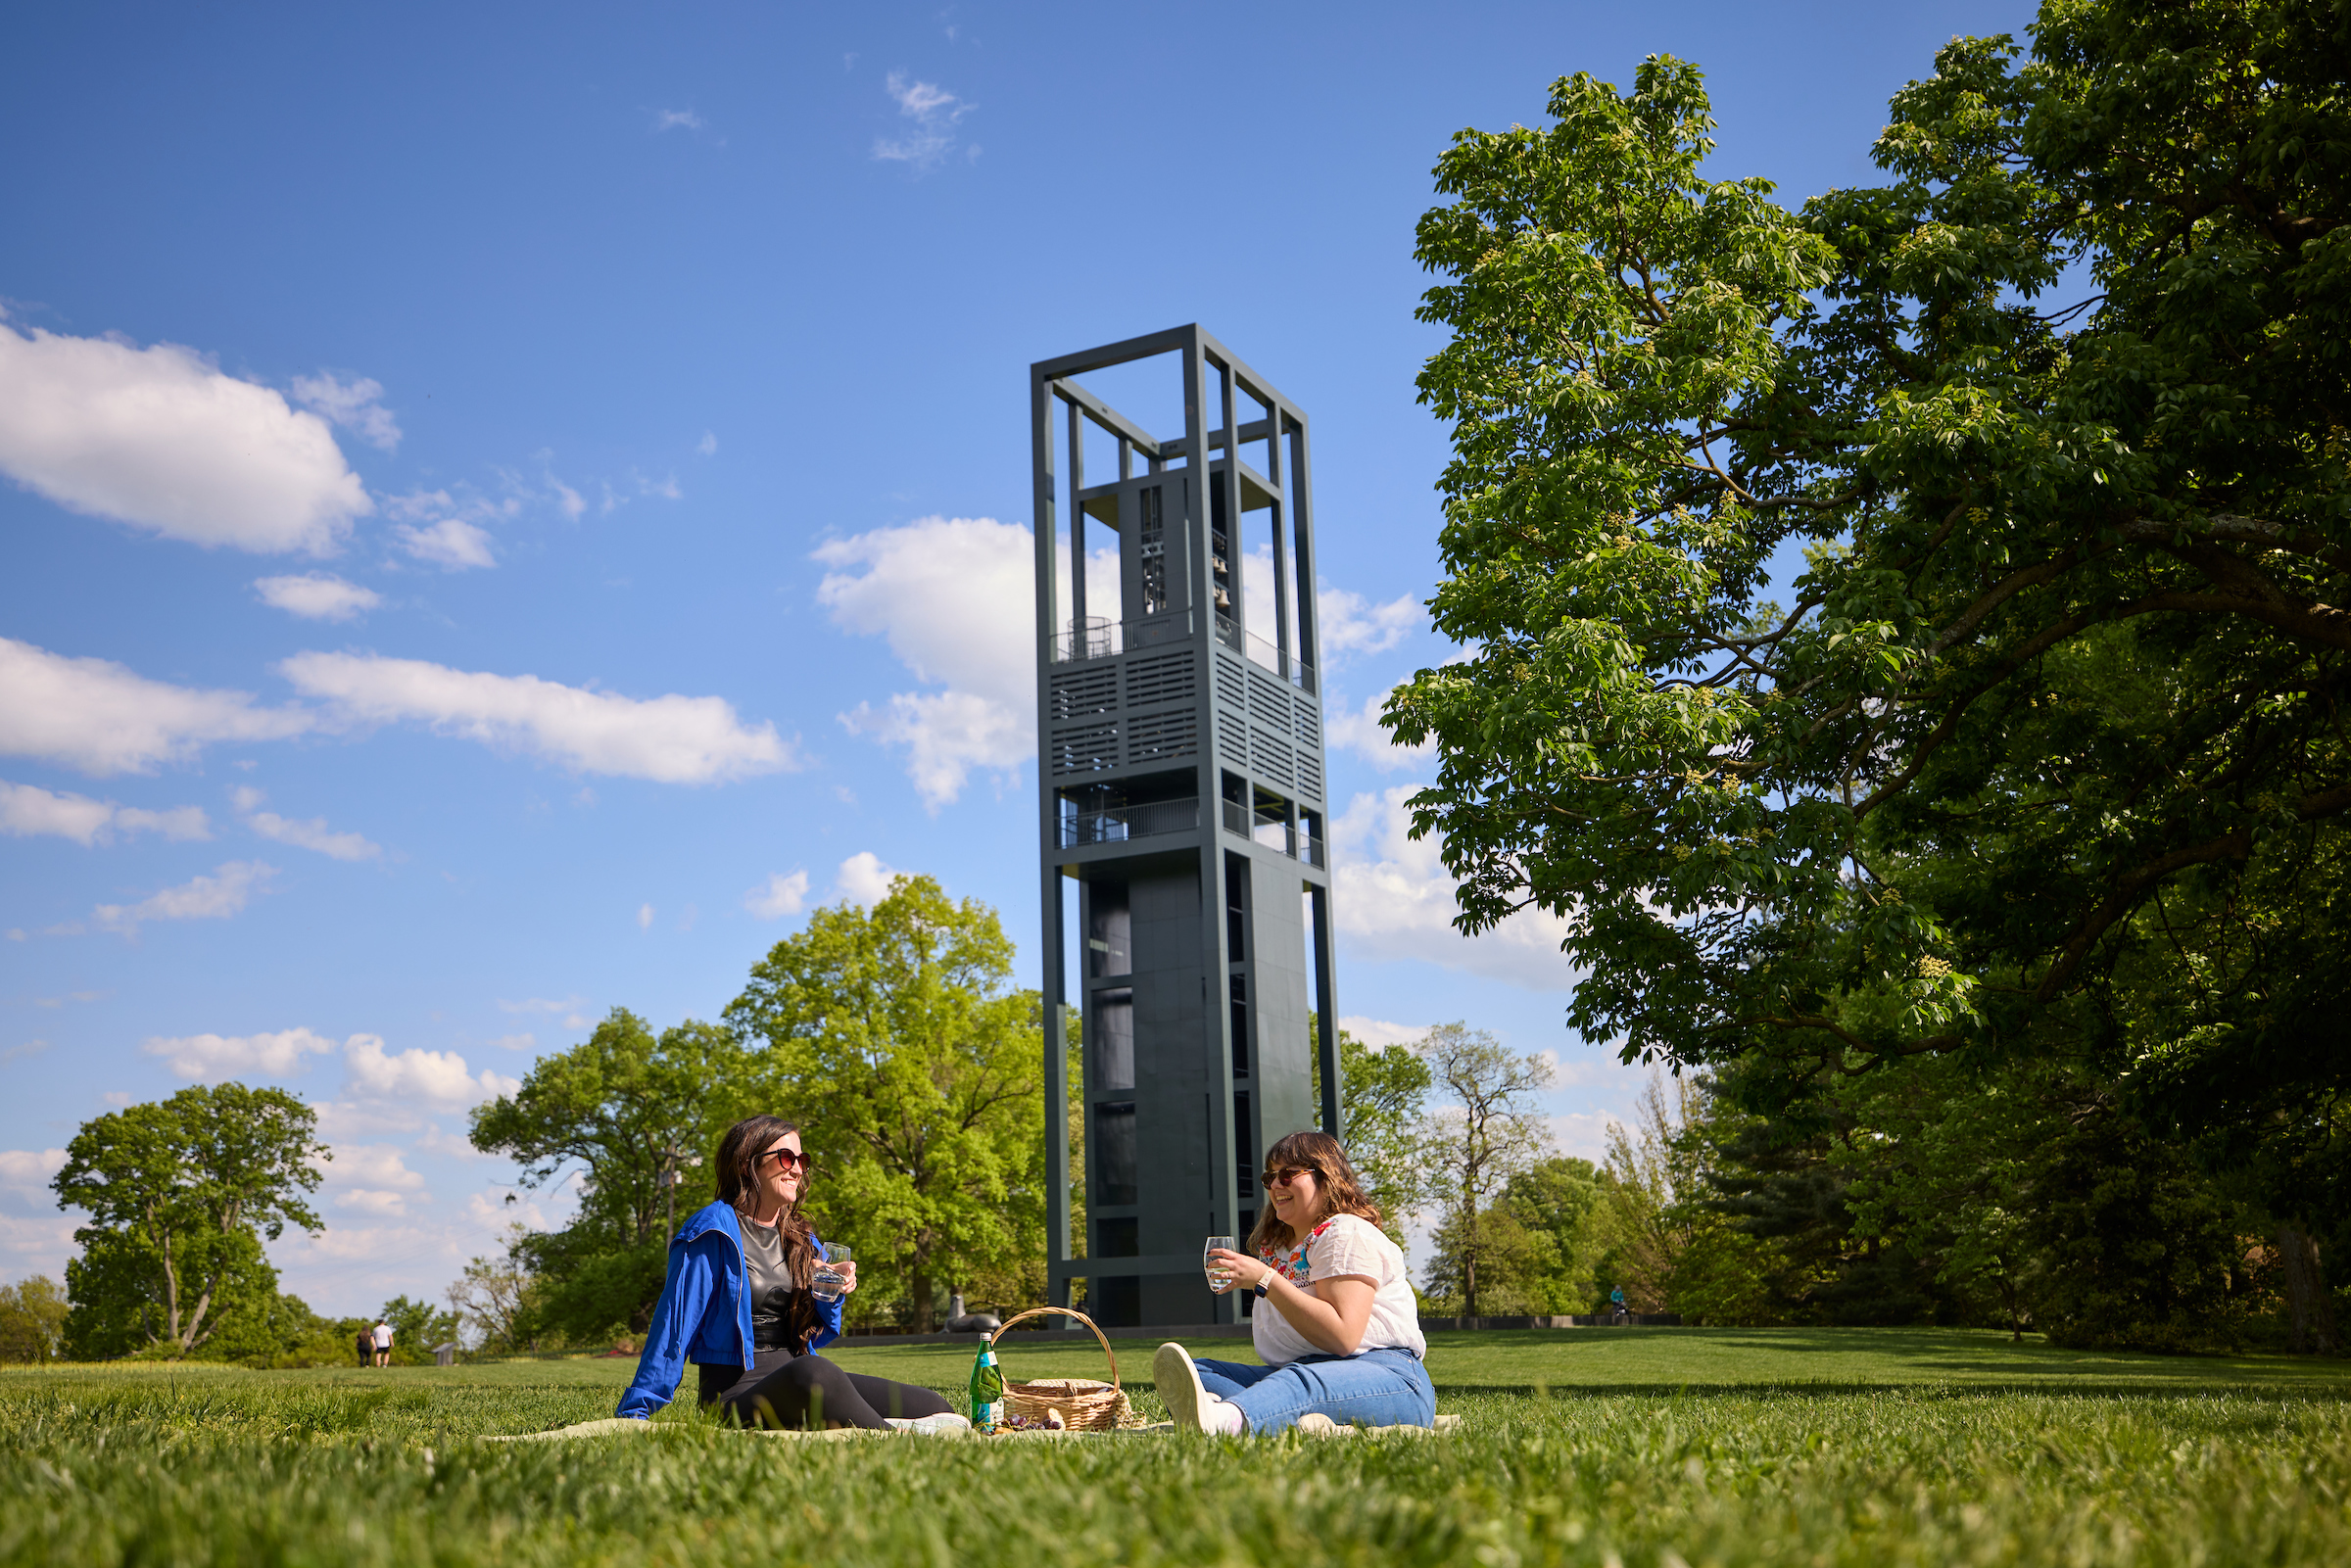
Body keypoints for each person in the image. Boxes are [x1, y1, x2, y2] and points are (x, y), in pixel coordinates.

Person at [616, 1115, 966, 1432]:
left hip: (799, 1373)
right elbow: (673, 1328)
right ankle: (895, 1437)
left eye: (802, 1160)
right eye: (786, 1158)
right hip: (736, 1396)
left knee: (932, 1405)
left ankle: (886, 1425)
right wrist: (637, 1411)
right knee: (817, 1372)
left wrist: (829, 1287)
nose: (797, 1169)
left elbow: (822, 1332)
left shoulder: (801, 1239)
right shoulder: (712, 1232)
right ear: (745, 1164)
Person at [1155, 1130, 1435, 1436]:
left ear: (1325, 1177)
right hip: (1299, 1371)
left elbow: (1342, 1337)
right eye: (1270, 1177)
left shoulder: (1346, 1233)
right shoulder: (1280, 1248)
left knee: (1297, 1382)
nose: (1275, 1185)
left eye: (1287, 1175)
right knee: (1199, 1372)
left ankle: (1226, 1423)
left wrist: (1265, 1279)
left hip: (1388, 1376)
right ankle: (1269, 1413)